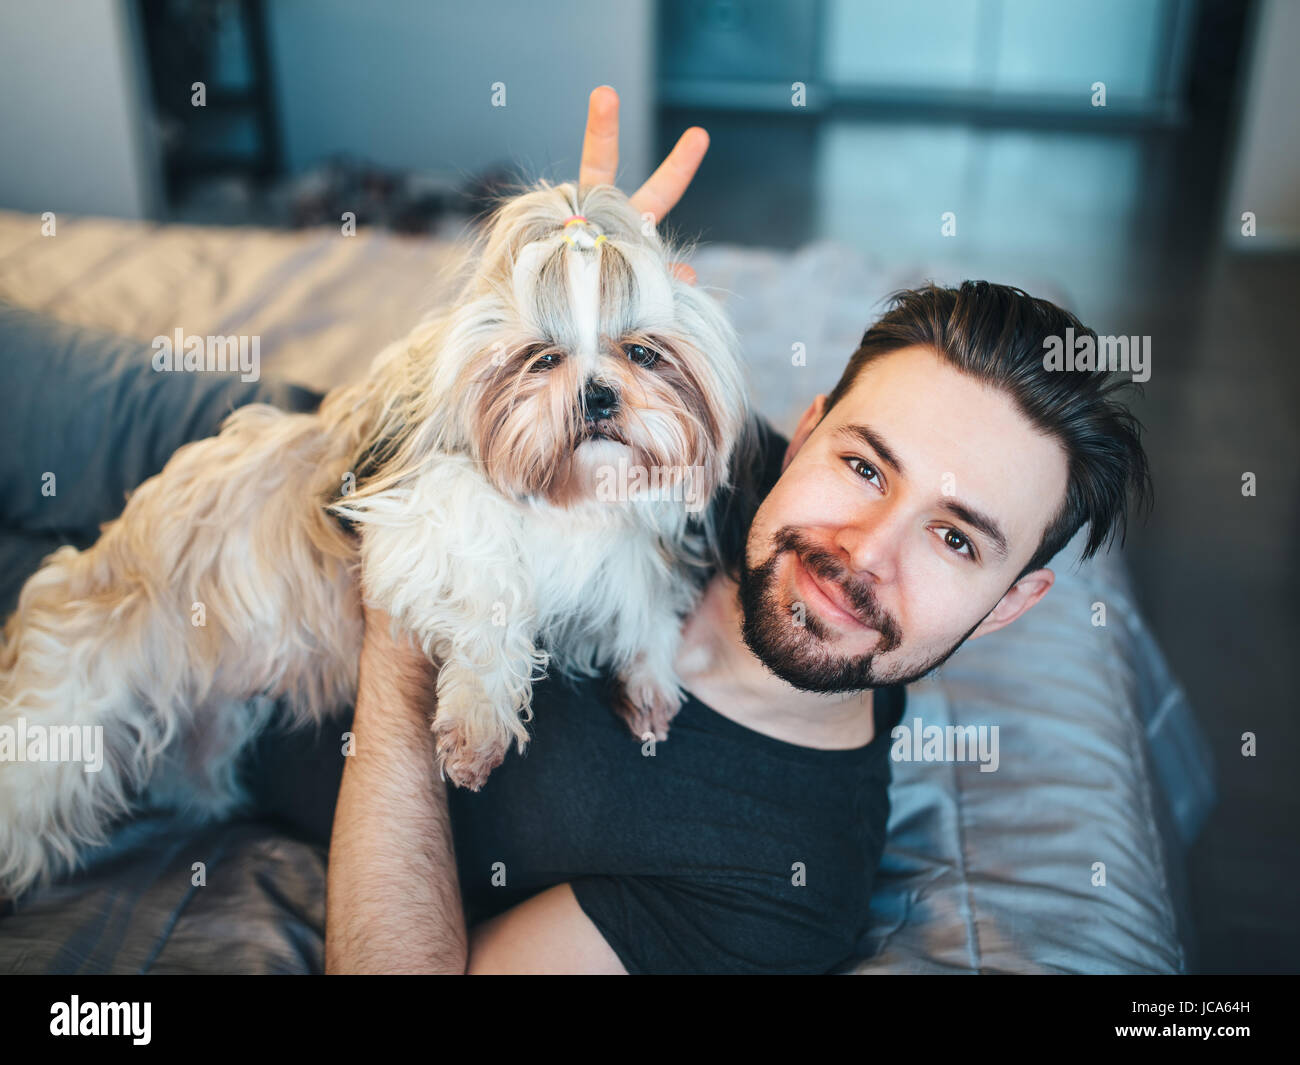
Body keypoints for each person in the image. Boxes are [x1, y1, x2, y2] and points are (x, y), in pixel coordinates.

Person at [323, 87, 1152, 974]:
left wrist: (401, 633)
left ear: (1010, 603)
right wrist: (570, 301)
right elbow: (434, 413)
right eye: (864, 468)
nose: (863, 551)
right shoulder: (714, 450)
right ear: (804, 434)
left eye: (954, 539)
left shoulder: (780, 891)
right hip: (263, 448)